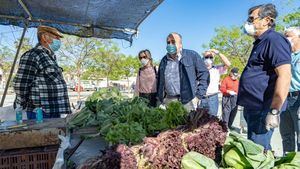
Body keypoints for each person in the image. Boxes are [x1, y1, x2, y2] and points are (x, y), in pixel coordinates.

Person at [237, 4, 291, 150]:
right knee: (255, 149)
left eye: (251, 18)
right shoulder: (260, 42)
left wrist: (274, 111)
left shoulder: (274, 40)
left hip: (263, 108)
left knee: (258, 152)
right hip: (253, 107)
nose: (248, 22)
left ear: (266, 20)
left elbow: (285, 76)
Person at [13, 25, 71, 119]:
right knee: (42, 133)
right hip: (41, 112)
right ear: (44, 37)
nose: (59, 41)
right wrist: (21, 104)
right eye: (56, 38)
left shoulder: (50, 56)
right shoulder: (33, 55)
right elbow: (21, 85)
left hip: (54, 109)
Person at [157, 32, 210, 111]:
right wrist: (161, 98)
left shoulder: (192, 55)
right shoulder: (164, 60)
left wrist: (198, 96)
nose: (170, 44)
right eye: (168, 42)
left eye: (173, 42)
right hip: (169, 100)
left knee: (188, 122)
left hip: (188, 101)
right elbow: (160, 80)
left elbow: (204, 74)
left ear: (181, 44)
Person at [280, 26, 300, 154]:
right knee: (286, 135)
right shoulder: (284, 56)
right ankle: (288, 162)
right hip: (284, 99)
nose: (286, 38)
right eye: (285, 36)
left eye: (289, 35)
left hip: (298, 99)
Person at [200, 49, 231, 116]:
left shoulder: (217, 69)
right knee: (200, 120)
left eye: (211, 57)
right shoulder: (199, 69)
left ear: (213, 59)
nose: (208, 59)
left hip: (213, 98)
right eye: (206, 57)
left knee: (212, 120)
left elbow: (228, 64)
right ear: (203, 58)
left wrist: (218, 53)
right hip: (202, 98)